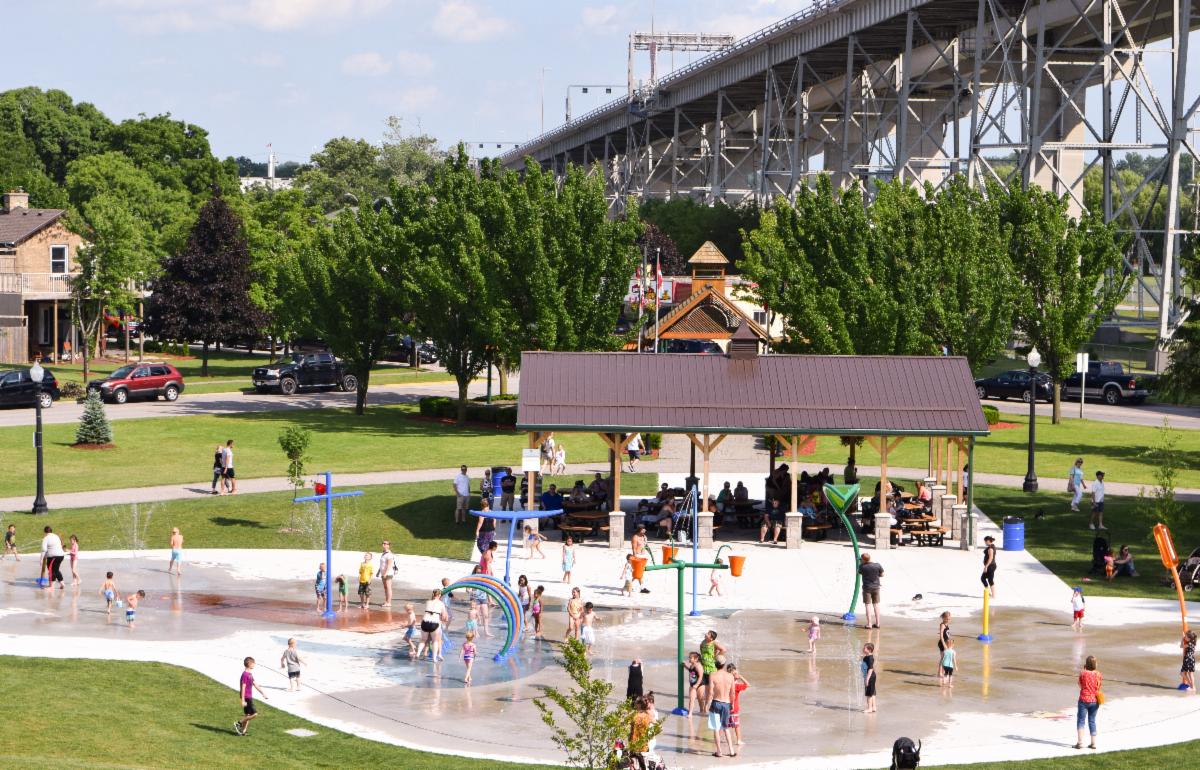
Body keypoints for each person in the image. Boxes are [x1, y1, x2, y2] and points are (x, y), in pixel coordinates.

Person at [707, 662, 737, 758]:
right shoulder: (730, 676)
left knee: (716, 728)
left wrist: (708, 703)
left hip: (716, 702)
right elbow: (733, 693)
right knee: (725, 728)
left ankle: (719, 751)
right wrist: (732, 703)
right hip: (726, 703)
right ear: (724, 665)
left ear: (715, 664)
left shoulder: (713, 675)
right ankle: (731, 751)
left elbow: (711, 691)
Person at [234, 656, 268, 736]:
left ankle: (243, 732)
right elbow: (243, 687)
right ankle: (238, 723)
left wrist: (262, 693)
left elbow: (255, 684)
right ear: (249, 664)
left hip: (248, 696)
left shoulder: (249, 674)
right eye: (253, 663)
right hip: (246, 697)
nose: (254, 664)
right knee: (254, 714)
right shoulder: (245, 675)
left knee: (248, 715)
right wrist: (242, 700)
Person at [1074, 655, 1101, 749]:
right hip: (1094, 700)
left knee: (1081, 721)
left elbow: (1079, 684)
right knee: (1092, 721)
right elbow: (1099, 686)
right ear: (1095, 664)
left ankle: (1080, 742)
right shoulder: (1098, 674)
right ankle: (1093, 743)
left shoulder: (1083, 673)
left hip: (1084, 699)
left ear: (1086, 664)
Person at [417, 589, 448, 661]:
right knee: (435, 641)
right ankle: (434, 658)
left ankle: (418, 654)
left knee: (423, 640)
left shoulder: (428, 602)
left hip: (425, 622)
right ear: (440, 595)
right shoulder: (441, 604)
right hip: (435, 623)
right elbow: (444, 617)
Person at [699, 630, 726, 713]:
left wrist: (715, 656)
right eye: (707, 633)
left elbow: (723, 649)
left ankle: (706, 707)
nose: (706, 634)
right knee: (701, 689)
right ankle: (703, 707)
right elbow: (701, 650)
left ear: (711, 638)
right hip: (703, 667)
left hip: (711, 668)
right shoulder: (703, 642)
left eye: (708, 634)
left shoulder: (714, 643)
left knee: (708, 690)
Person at [859, 553, 884, 628]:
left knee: (867, 605)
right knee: (876, 605)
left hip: (867, 588)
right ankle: (878, 623)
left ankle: (869, 624)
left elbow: (859, 573)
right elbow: (882, 574)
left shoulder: (862, 566)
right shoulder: (877, 565)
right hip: (876, 587)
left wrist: (861, 564)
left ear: (863, 560)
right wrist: (876, 575)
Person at [727, 662, 749, 746]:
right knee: (736, 725)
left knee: (724, 724)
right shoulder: (736, 686)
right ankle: (739, 740)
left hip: (725, 705)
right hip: (734, 707)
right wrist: (741, 677)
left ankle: (718, 739)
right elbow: (748, 685)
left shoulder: (727, 683)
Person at [629, 695, 654, 769]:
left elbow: (622, 723)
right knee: (643, 763)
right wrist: (650, 736)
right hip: (644, 744)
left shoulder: (634, 715)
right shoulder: (648, 716)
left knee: (632, 763)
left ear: (639, 705)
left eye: (636, 702)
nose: (635, 703)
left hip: (634, 743)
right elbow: (659, 728)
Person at [40, 525, 65, 590]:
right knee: (56, 570)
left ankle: (51, 586)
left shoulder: (46, 538)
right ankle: (62, 583)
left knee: (51, 571)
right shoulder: (56, 536)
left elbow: (44, 550)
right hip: (61, 556)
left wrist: (41, 559)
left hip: (53, 557)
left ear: (45, 532)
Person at [378, 541, 396, 607]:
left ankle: (389, 602)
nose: (383, 544)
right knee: (385, 588)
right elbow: (382, 564)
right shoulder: (383, 554)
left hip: (388, 573)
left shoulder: (389, 554)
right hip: (383, 573)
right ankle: (386, 601)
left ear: (388, 545)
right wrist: (379, 572)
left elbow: (389, 565)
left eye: (385, 544)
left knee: (388, 588)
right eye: (383, 543)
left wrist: (385, 573)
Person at [862, 642, 877, 713]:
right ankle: (874, 707)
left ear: (869, 650)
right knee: (872, 692)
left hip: (870, 677)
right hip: (871, 676)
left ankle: (869, 708)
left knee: (869, 694)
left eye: (864, 648)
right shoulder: (867, 657)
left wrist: (867, 679)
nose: (863, 649)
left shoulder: (870, 658)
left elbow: (870, 669)